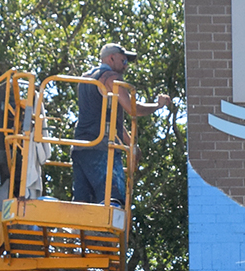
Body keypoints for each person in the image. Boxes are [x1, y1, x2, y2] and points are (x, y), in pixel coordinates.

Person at [71, 43, 171, 205]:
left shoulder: (86, 78)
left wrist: (130, 143)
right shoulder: (111, 78)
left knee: (82, 204)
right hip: (102, 148)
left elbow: (109, 120)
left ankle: (76, 230)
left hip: (80, 147)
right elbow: (133, 109)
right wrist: (158, 106)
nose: (126, 67)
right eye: (123, 61)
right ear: (111, 58)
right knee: (113, 201)